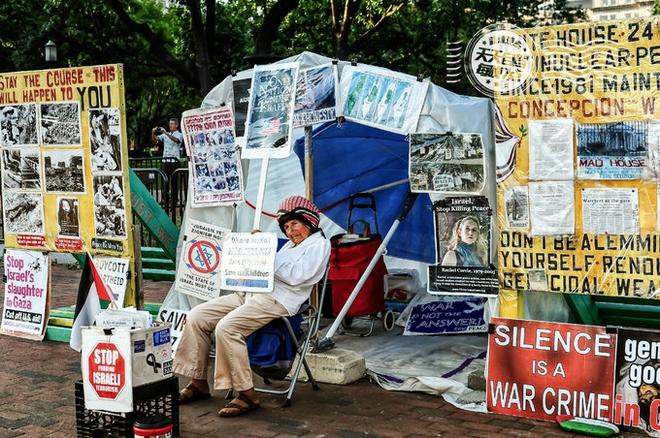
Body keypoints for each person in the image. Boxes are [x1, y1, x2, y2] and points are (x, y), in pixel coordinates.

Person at [173, 195, 330, 417]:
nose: (290, 231)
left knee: (227, 328)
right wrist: (251, 251)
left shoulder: (319, 244)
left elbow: (298, 276)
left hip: (279, 301)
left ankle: (247, 393)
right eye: (286, 226)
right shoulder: (290, 247)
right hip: (252, 293)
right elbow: (261, 271)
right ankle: (198, 381)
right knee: (197, 316)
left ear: (309, 222)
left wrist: (263, 254)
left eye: (295, 223)